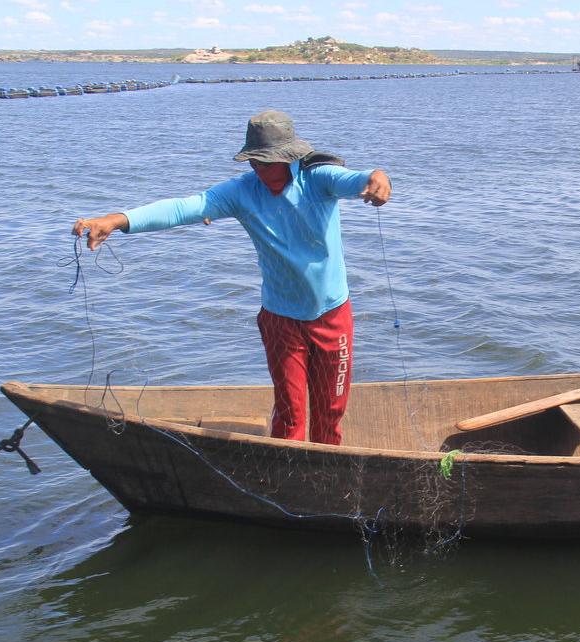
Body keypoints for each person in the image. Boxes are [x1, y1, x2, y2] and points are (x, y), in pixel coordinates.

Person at [73, 109, 392, 445]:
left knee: (330, 414)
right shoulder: (242, 192)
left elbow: (359, 179)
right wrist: (117, 220)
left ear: (289, 157)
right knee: (290, 414)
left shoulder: (318, 178)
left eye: (267, 161)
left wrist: (378, 178)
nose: (259, 169)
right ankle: (288, 474)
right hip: (281, 319)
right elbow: (185, 207)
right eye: (254, 161)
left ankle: (328, 474)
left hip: (332, 316)